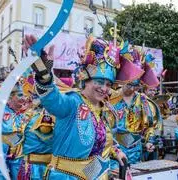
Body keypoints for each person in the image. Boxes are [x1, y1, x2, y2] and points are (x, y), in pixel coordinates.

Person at [23, 35, 141, 179]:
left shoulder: (104, 108)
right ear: (85, 80)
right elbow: (52, 99)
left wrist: (116, 151)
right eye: (99, 82)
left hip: (95, 175)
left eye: (108, 84)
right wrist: (43, 74)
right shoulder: (72, 102)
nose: (104, 88)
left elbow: (104, 138)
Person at [109, 48, 162, 167]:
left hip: (136, 152)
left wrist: (149, 141)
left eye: (137, 86)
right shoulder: (110, 98)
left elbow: (151, 125)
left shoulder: (144, 101)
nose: (133, 89)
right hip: (114, 152)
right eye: (130, 85)